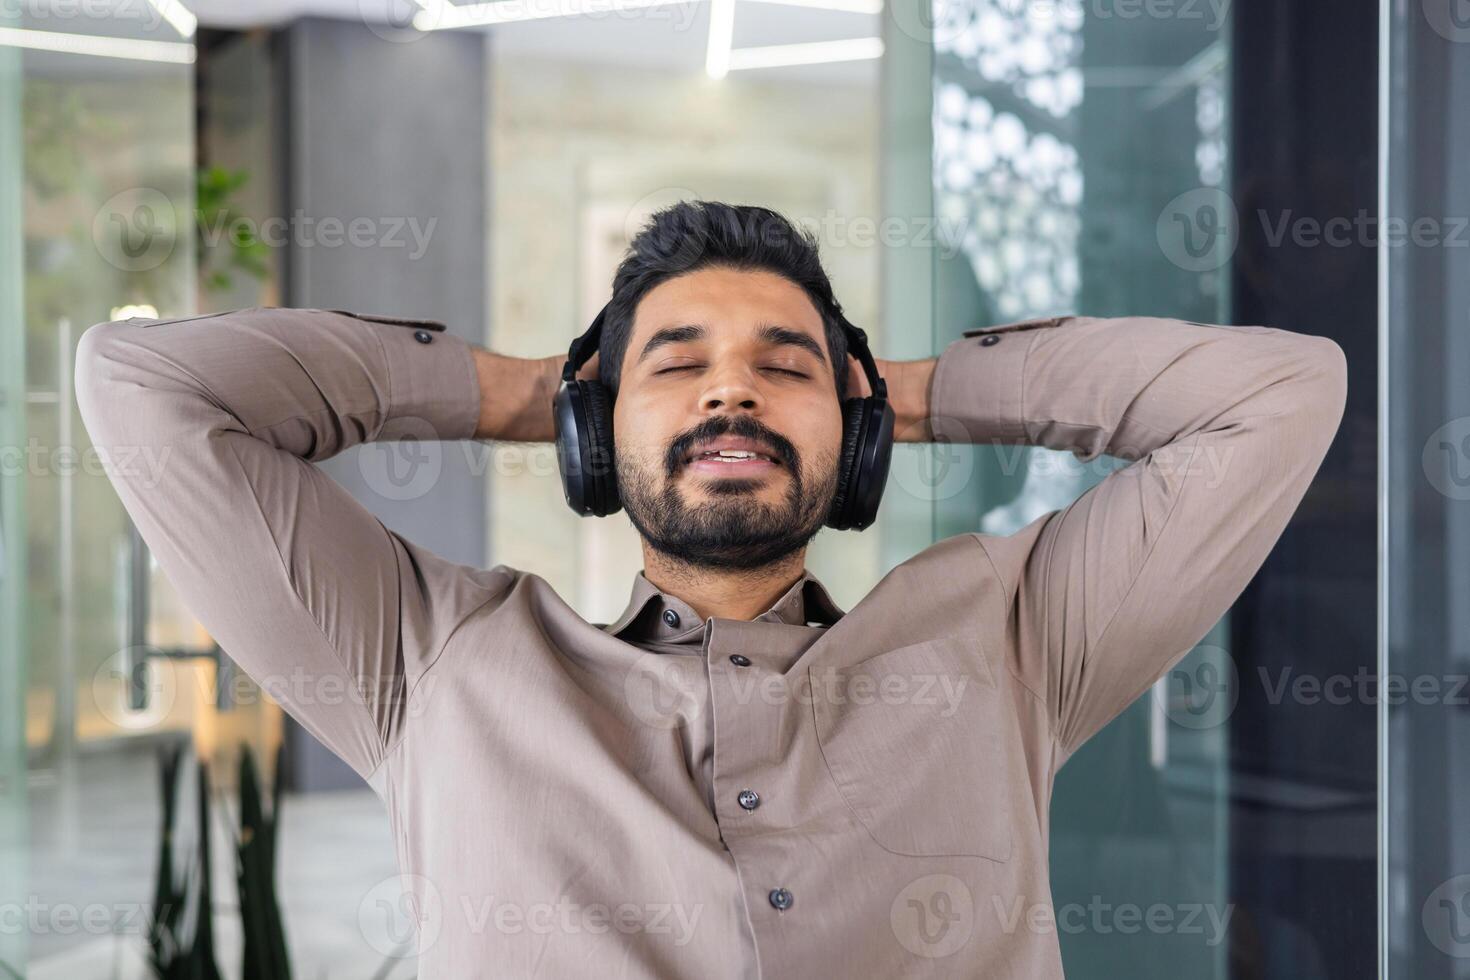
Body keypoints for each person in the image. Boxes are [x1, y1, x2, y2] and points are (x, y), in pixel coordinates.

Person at [75, 200, 1346, 978]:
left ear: (853, 430)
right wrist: (534, 391)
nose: (730, 392)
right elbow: (146, 388)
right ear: (592, 427)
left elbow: (1279, 394)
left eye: (781, 366)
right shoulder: (430, 663)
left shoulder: (1013, 644)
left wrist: (900, 393)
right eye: (676, 365)